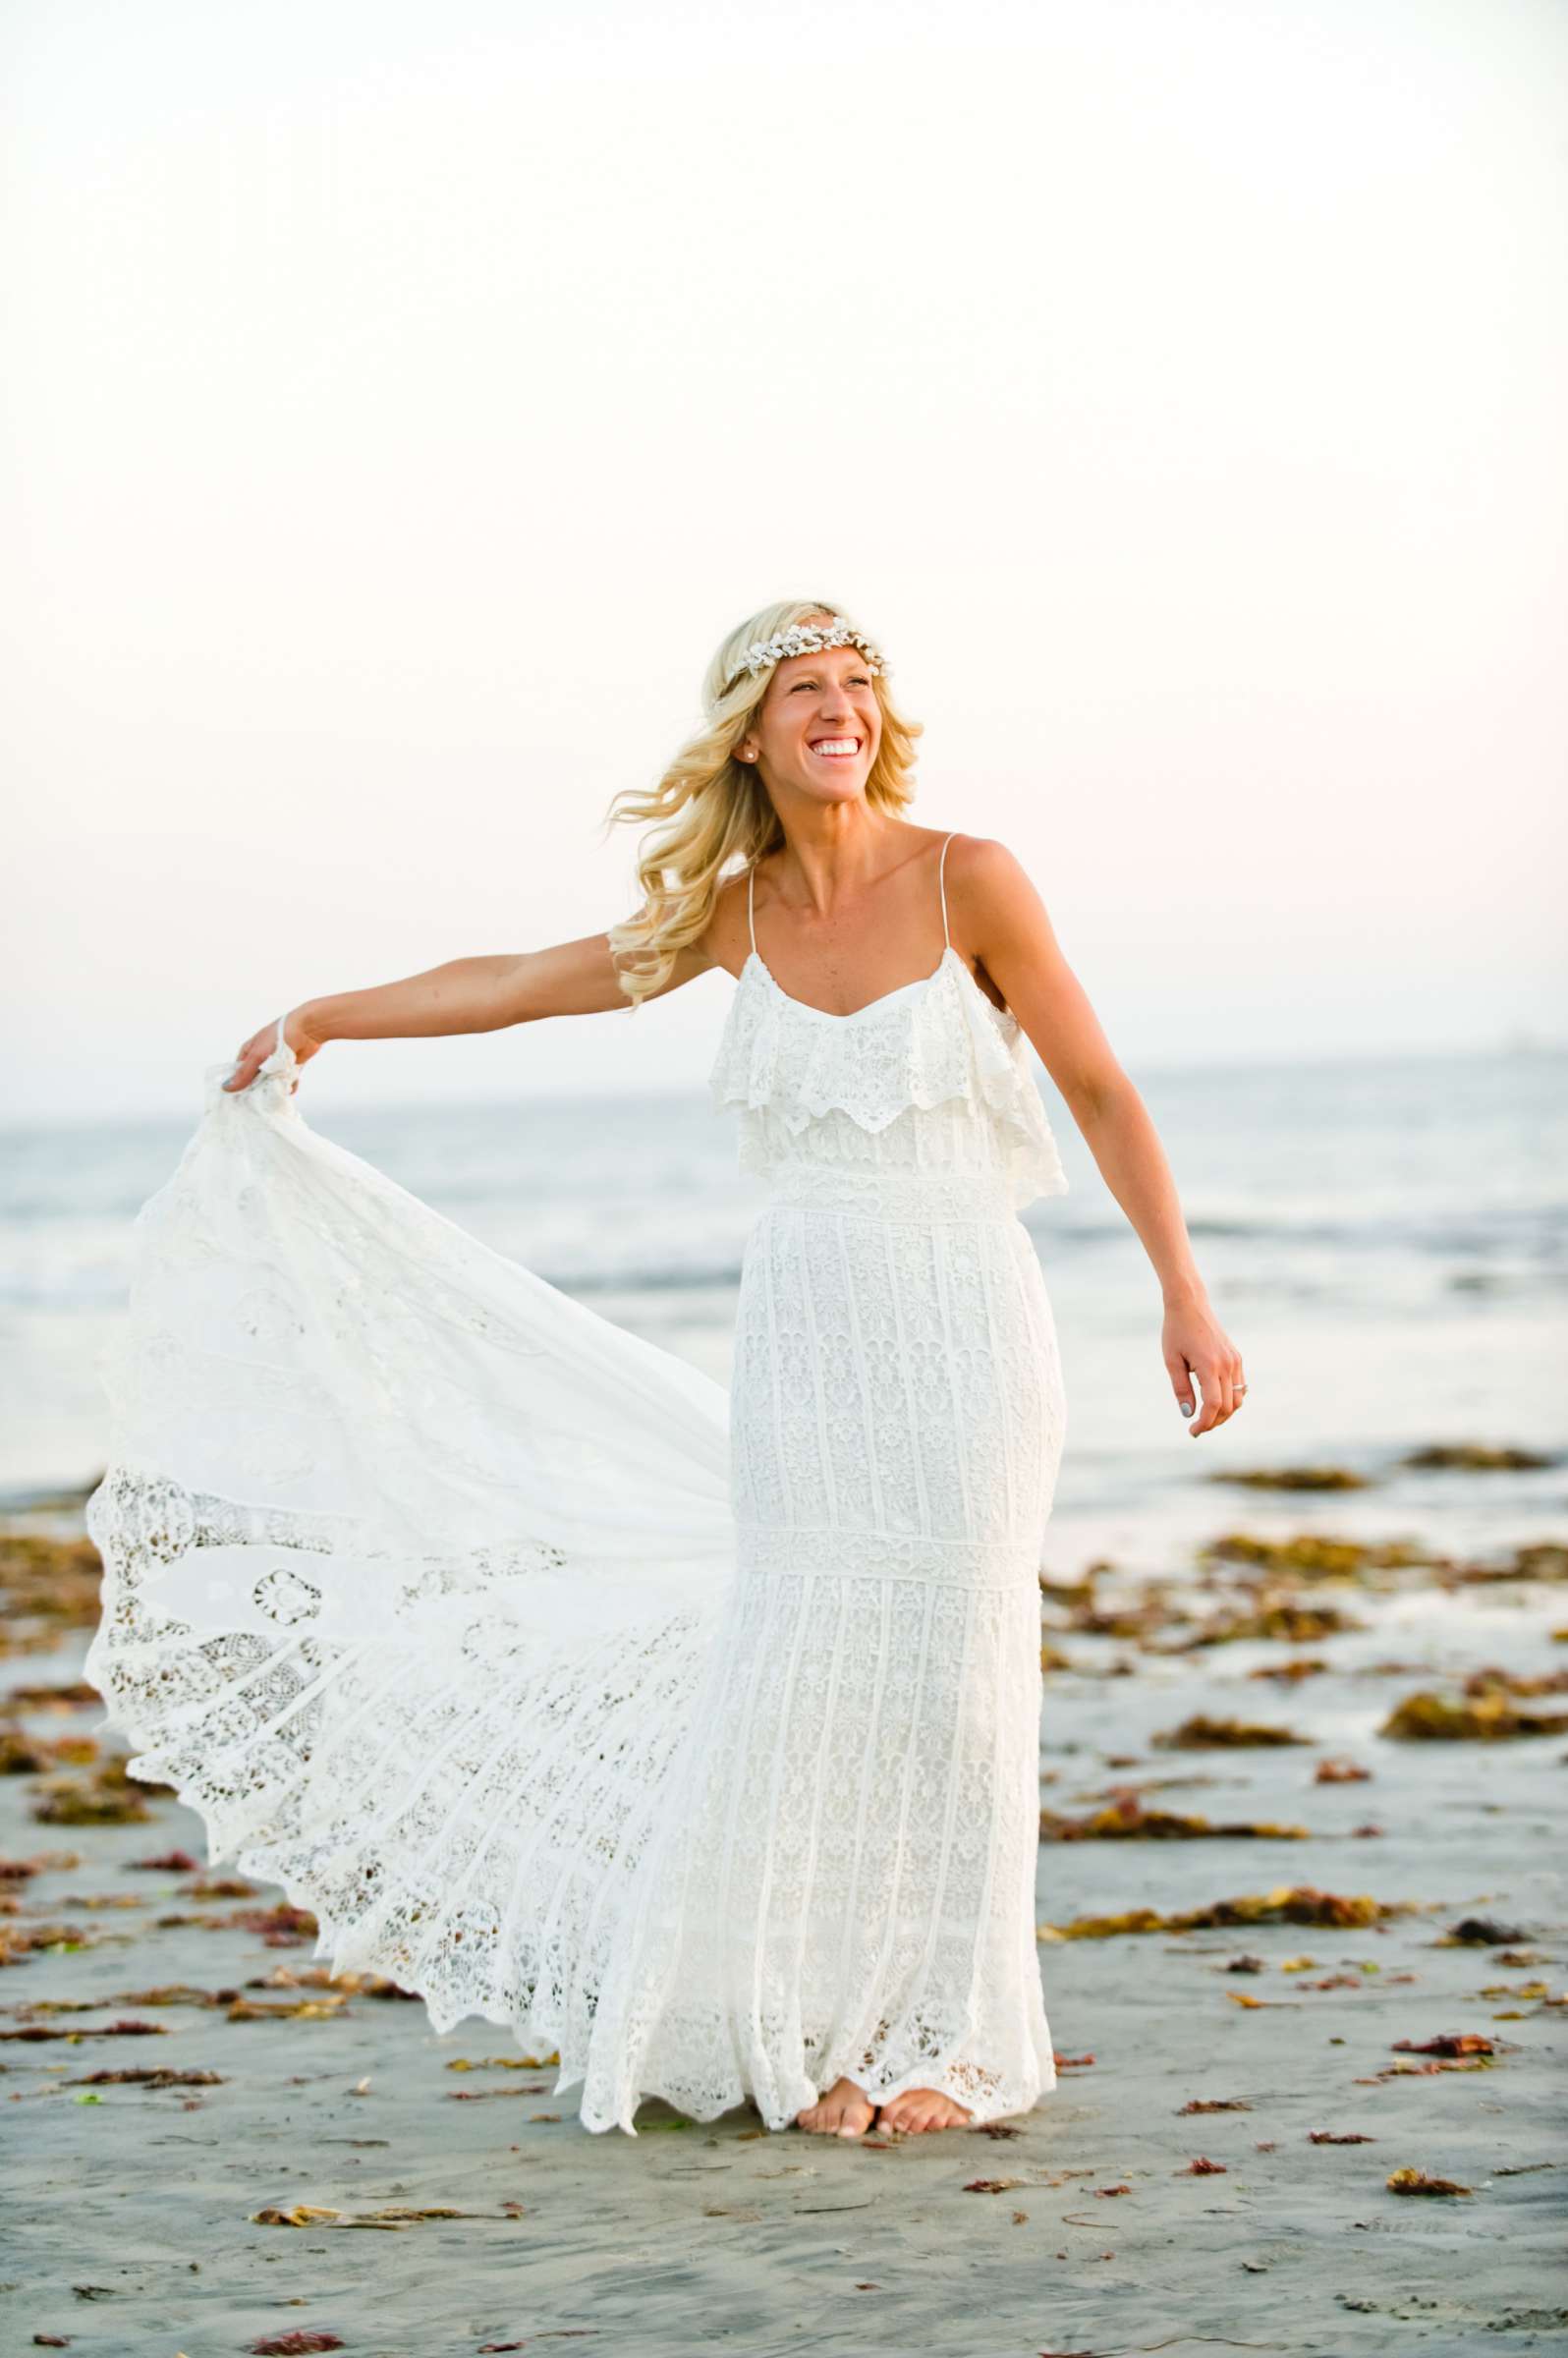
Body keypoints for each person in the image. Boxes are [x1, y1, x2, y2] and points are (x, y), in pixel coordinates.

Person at [84, 599, 1244, 2143]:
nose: (838, 709)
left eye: (857, 685)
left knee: (955, 1680)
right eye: (803, 691)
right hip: (808, 1328)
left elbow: (1098, 1085)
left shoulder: (973, 876)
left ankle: (953, 2045)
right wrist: (321, 1019)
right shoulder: (732, 914)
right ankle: (820, 2023)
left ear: (880, 720)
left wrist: (1184, 1289)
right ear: (751, 735)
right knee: (807, 1662)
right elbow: (517, 982)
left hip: (965, 1312)